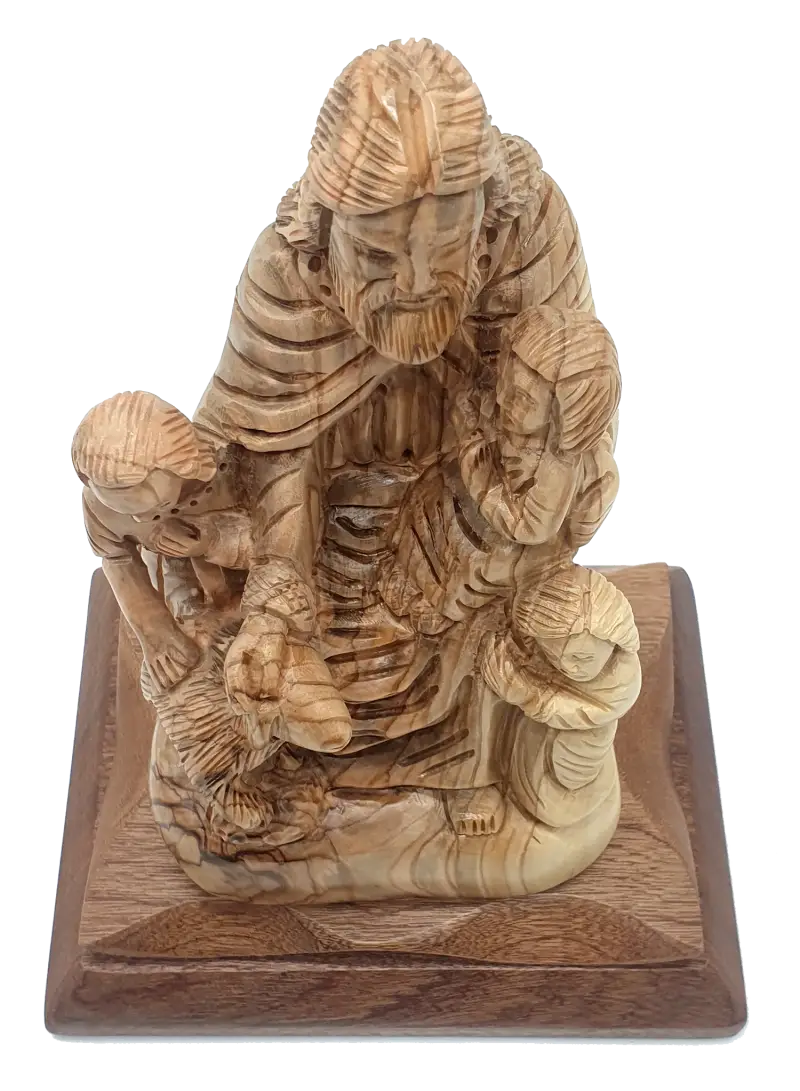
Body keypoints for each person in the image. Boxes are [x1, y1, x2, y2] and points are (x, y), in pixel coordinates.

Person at [73, 390, 352, 753]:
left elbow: (286, 544)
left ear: (184, 467)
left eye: (157, 506)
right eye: (130, 513)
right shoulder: (101, 501)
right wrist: (156, 632)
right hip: (192, 601)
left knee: (321, 710)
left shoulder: (241, 463)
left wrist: (212, 540)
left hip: (274, 594)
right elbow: (117, 558)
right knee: (176, 689)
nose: (142, 522)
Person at [481, 565, 641, 826]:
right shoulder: (543, 650)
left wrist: (524, 694)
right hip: (530, 740)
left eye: (581, 657)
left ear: (616, 642)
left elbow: (584, 714)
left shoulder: (623, 679)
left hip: (575, 759)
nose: (566, 667)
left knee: (561, 785)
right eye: (554, 655)